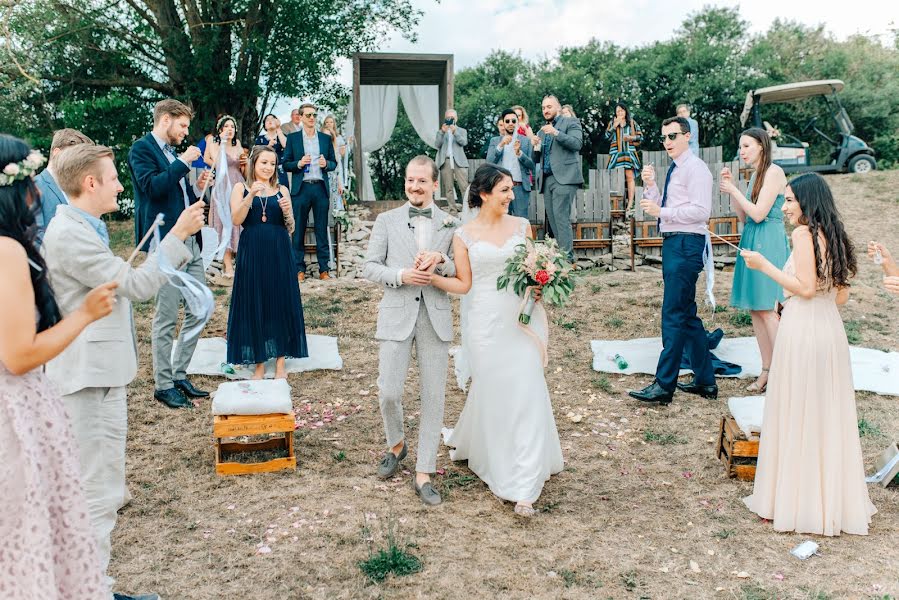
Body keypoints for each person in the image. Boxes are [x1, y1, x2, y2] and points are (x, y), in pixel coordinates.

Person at [43, 143, 205, 600]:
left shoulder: (83, 228)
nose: (121, 184)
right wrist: (177, 233)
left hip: (100, 377)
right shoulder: (69, 235)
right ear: (89, 183)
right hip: (86, 381)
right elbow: (136, 285)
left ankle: (97, 585)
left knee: (104, 491)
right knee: (95, 496)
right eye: (113, 178)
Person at [0, 133, 116, 599]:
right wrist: (84, 314)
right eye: (33, 180)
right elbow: (18, 353)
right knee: (28, 529)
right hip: (15, 410)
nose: (39, 193)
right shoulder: (7, 250)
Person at [742, 173, 876, 536]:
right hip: (829, 329)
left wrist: (764, 266)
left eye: (788, 201)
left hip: (803, 331)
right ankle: (827, 500)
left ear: (807, 202)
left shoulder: (802, 235)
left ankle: (798, 501)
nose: (784, 208)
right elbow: (840, 295)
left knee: (799, 407)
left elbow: (804, 287)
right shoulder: (833, 235)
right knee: (823, 412)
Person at [431, 163, 564, 517]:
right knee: (495, 391)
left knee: (527, 387)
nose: (511, 195)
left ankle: (524, 482)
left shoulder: (522, 226)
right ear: (485, 193)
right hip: (486, 323)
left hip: (521, 317)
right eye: (504, 190)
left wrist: (540, 284)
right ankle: (494, 453)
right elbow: (464, 285)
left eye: (511, 189)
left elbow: (535, 267)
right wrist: (433, 280)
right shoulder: (464, 235)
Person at [361, 155, 457, 506]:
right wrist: (402, 275)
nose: (415, 186)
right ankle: (397, 445)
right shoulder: (386, 220)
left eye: (421, 181)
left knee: (434, 396)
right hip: (396, 314)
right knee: (389, 391)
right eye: (410, 180)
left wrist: (442, 262)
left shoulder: (451, 224)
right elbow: (369, 267)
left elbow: (461, 270)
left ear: (434, 184)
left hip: (435, 316)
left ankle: (424, 471)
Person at [128, 98, 214, 410]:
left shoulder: (172, 154)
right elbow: (152, 188)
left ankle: (179, 374)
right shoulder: (142, 149)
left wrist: (197, 185)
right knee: (166, 315)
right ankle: (163, 384)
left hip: (190, 241)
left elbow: (177, 193)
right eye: (182, 125)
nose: (185, 131)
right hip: (164, 243)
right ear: (166, 120)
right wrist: (184, 163)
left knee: (199, 307)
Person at [629, 116, 716, 405]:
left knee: (673, 315)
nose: (667, 142)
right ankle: (705, 380)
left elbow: (701, 212)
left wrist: (661, 211)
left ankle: (664, 385)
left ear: (687, 136)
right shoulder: (677, 169)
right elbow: (665, 207)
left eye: (673, 136)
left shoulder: (696, 169)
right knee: (686, 315)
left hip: (686, 244)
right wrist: (651, 186)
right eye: (664, 137)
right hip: (675, 242)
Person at [227, 146, 307, 379]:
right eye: (264, 163)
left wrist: (288, 212)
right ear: (254, 163)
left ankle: (280, 360)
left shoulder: (282, 189)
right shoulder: (240, 188)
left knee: (279, 300)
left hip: (279, 249)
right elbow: (236, 219)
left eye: (272, 164)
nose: (268, 167)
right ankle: (259, 361)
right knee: (255, 300)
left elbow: (290, 227)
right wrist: (250, 196)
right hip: (252, 249)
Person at [722, 128, 790, 392]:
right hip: (751, 238)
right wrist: (734, 190)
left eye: (747, 146)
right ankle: (766, 370)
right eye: (740, 147)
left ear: (762, 146)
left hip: (768, 241)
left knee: (768, 309)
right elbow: (744, 217)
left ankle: (785, 372)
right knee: (755, 308)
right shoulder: (755, 176)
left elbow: (760, 214)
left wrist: (735, 190)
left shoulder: (774, 172)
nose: (742, 151)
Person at [282, 102, 338, 282]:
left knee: (322, 229)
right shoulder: (293, 139)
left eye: (314, 115)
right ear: (301, 117)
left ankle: (324, 269)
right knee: (298, 230)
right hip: (301, 188)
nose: (312, 118)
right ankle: (299, 269)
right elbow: (285, 164)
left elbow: (334, 163)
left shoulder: (324, 138)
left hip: (320, 188)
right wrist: (298, 164)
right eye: (308, 115)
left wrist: (326, 164)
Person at [534, 95, 583, 262]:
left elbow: (577, 143)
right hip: (546, 179)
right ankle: (563, 257)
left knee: (561, 218)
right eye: (543, 108)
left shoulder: (571, 122)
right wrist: (534, 145)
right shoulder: (542, 130)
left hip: (565, 177)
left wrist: (556, 132)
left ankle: (567, 261)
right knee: (554, 221)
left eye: (549, 107)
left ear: (558, 108)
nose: (545, 110)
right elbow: (537, 157)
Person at [204, 114, 246, 278]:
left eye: (232, 127)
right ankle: (227, 266)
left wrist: (245, 162)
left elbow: (243, 165)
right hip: (222, 185)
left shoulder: (238, 144)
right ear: (220, 129)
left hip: (238, 184)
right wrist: (221, 142)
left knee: (239, 221)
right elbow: (217, 161)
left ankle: (242, 262)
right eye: (227, 126)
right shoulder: (214, 143)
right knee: (224, 222)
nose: (230, 129)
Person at [33, 128, 94, 241]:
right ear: (57, 153)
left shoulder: (77, 188)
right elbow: (35, 236)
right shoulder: (35, 186)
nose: (80, 165)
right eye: (75, 158)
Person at [486, 108, 535, 218]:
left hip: (520, 187)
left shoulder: (525, 141)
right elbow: (489, 163)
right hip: (500, 187)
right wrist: (501, 145)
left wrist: (519, 153)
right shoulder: (495, 141)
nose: (511, 124)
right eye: (507, 121)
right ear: (503, 123)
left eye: (513, 121)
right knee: (501, 220)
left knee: (521, 222)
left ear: (517, 122)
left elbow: (532, 165)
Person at [604, 101, 643, 212]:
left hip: (629, 153)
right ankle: (618, 206)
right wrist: (614, 126)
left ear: (625, 111)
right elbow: (606, 137)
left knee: (629, 177)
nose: (620, 112)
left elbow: (641, 137)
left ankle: (630, 204)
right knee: (616, 178)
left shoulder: (632, 123)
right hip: (616, 153)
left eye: (622, 110)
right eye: (618, 111)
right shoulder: (612, 122)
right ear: (615, 113)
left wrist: (631, 138)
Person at [435, 108, 469, 213]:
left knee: (464, 187)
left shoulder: (462, 131)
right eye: (448, 118)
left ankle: (467, 210)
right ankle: (452, 211)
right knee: (448, 189)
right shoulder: (441, 132)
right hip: (446, 161)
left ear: (456, 118)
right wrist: (442, 132)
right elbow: (437, 145)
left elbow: (464, 143)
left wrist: (455, 132)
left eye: (452, 118)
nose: (450, 120)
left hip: (459, 161)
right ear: (445, 119)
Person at [254, 113, 288, 186]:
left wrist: (278, 128)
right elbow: (256, 154)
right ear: (264, 126)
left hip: (280, 170)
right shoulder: (260, 139)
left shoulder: (282, 136)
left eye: (272, 119)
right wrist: (268, 147)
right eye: (267, 120)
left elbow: (286, 145)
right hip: (264, 170)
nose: (270, 121)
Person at [321, 114, 346, 211]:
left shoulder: (337, 140)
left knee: (334, 200)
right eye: (327, 122)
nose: (329, 124)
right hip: (322, 179)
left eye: (331, 122)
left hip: (334, 177)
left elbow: (338, 165)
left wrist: (340, 184)